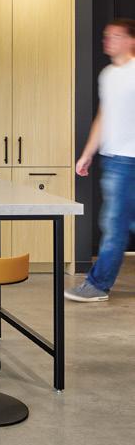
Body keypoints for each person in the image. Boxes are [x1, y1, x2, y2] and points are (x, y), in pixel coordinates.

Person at [66, 18, 135, 302]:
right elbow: (103, 117)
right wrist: (87, 153)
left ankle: (97, 285)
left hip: (129, 161)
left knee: (114, 225)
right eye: (107, 36)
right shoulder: (107, 75)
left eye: (116, 36)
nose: (108, 40)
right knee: (120, 224)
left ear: (131, 40)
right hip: (113, 160)